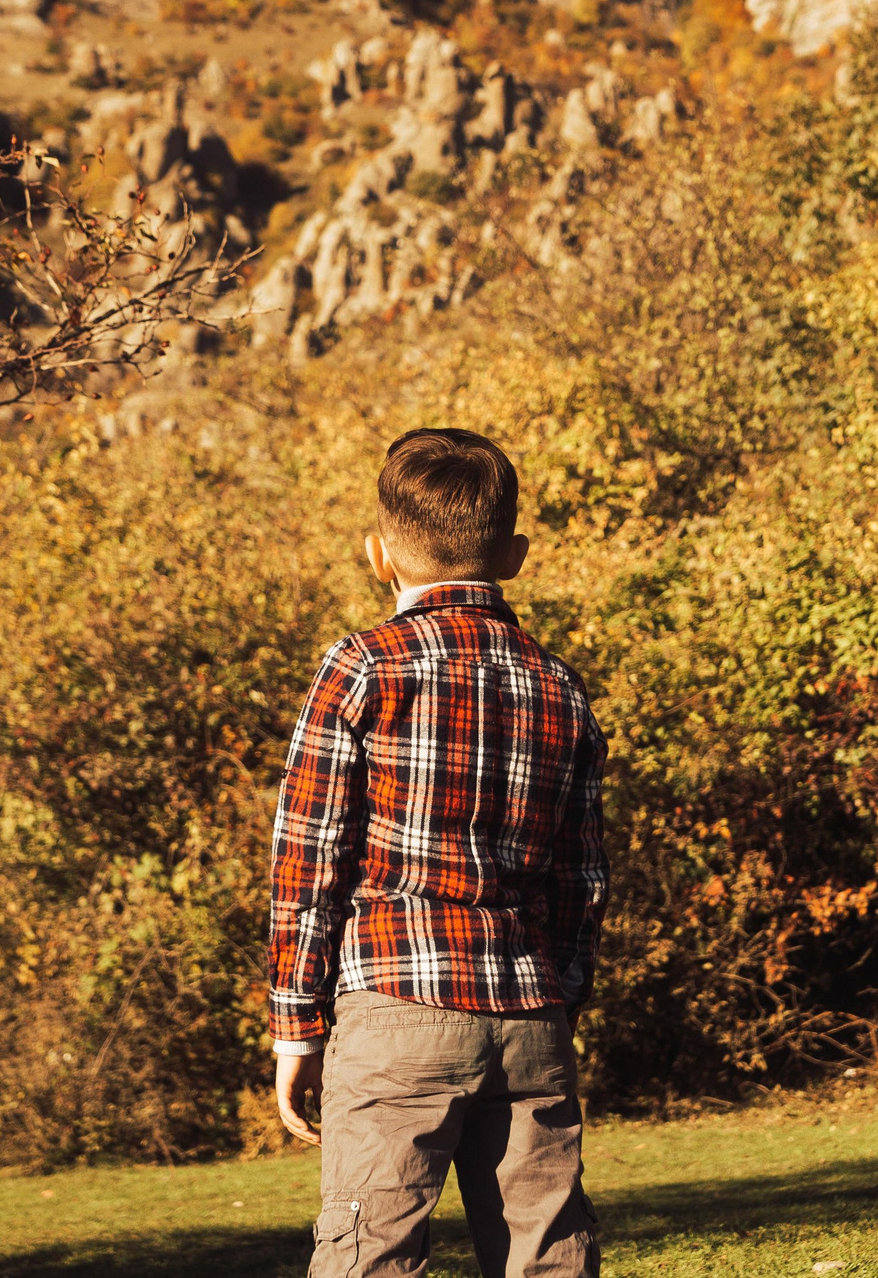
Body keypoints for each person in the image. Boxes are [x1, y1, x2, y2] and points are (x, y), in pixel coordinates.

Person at [268, 427, 609, 1278]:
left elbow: (309, 859)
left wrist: (296, 1025)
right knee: (548, 1256)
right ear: (516, 555)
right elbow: (581, 875)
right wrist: (559, 994)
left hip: (395, 1007)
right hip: (529, 1014)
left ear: (378, 554)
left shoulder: (361, 667)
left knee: (369, 1255)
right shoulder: (558, 684)